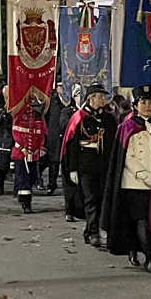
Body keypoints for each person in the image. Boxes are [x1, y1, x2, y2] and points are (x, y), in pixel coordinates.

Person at [101, 85, 151, 274]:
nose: (147, 106)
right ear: (136, 105)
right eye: (143, 102)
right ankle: (148, 257)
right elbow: (123, 158)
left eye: (150, 102)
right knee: (139, 219)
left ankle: (139, 250)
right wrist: (141, 173)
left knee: (150, 221)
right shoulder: (126, 127)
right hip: (133, 183)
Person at [60, 84, 117, 247]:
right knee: (90, 199)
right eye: (100, 97)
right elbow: (71, 145)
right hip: (85, 166)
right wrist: (72, 169)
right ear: (91, 98)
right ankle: (93, 232)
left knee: (102, 199)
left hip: (104, 165)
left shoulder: (108, 119)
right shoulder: (80, 118)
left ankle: (96, 229)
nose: (103, 100)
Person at [12, 97, 48, 214]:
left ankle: (22, 194)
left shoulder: (39, 118)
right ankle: (26, 203)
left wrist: (41, 148)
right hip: (20, 153)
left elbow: (42, 134)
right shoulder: (19, 115)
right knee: (24, 179)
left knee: (33, 177)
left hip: (34, 153)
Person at [59, 84, 85, 222]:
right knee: (69, 183)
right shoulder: (68, 111)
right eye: (78, 94)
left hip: (85, 153)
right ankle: (69, 209)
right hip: (69, 151)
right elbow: (63, 126)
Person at [41, 83, 66, 196]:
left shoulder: (68, 102)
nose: (61, 89)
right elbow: (45, 118)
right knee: (52, 162)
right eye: (60, 86)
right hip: (53, 136)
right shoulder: (51, 101)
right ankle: (51, 184)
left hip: (64, 135)